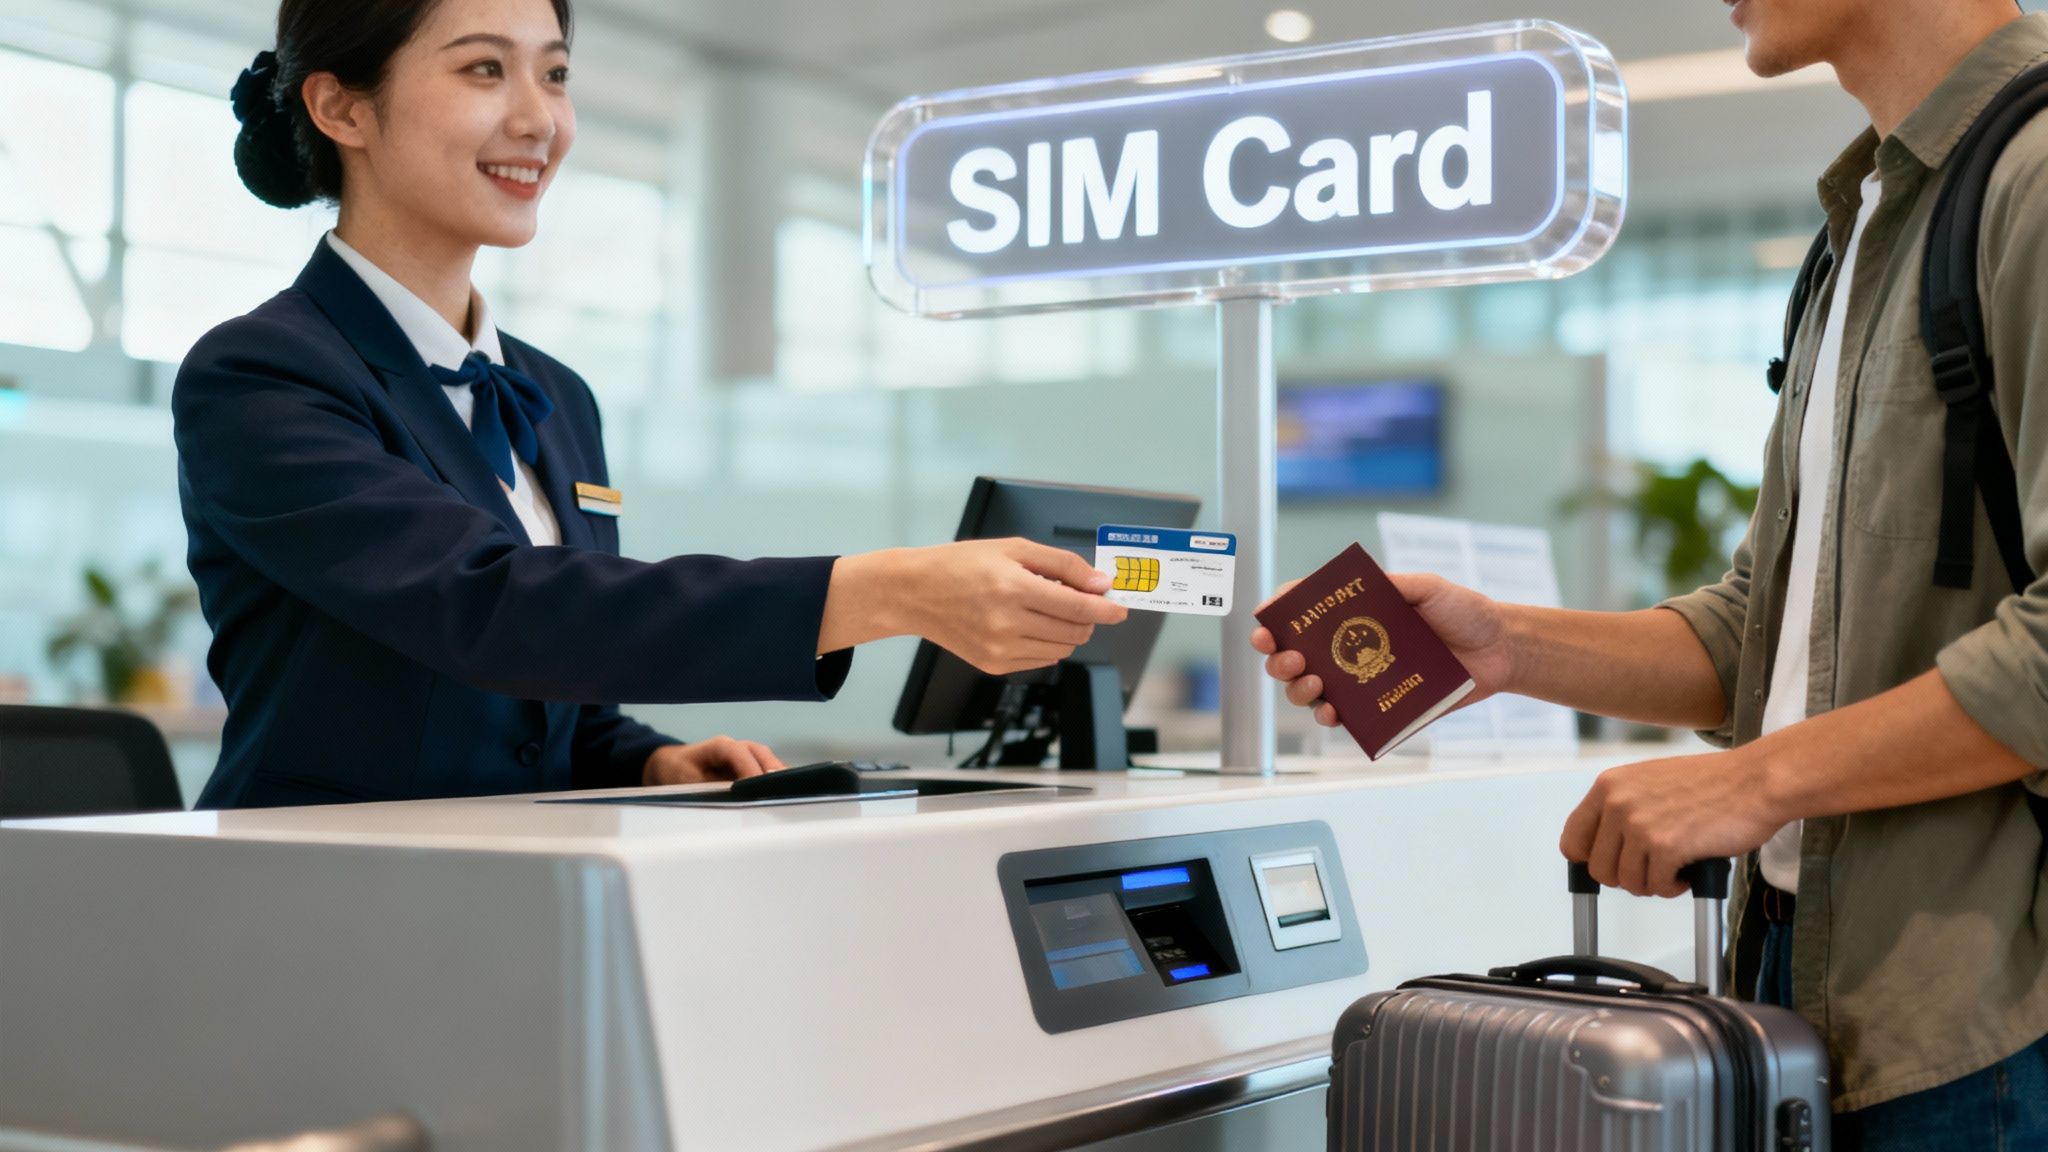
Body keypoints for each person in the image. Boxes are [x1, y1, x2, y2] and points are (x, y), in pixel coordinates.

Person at [1255, 0, 2048, 1144]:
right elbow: (1757, 635)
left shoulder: (2030, 176)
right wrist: (1505, 649)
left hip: (1975, 1018)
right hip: (1802, 975)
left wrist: (1751, 783)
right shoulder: (1861, 226)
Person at [176, 0, 1127, 809]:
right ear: (341, 107)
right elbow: (490, 610)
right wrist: (888, 590)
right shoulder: (263, 373)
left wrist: (643, 756)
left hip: (518, 892)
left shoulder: (555, 396)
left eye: (554, 75)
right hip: (315, 898)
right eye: (482, 71)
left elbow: (556, 687)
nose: (537, 119)